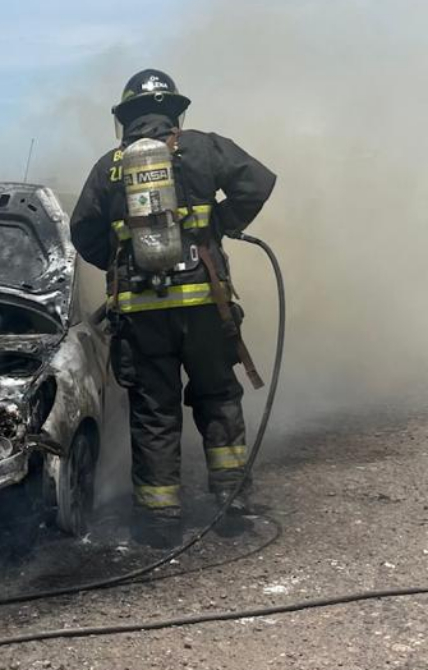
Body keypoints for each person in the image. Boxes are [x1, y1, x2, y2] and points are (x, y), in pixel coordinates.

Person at [70, 70, 276, 547]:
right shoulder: (204, 147)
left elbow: (84, 233)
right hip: (206, 305)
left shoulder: (110, 167)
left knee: (154, 412)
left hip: (142, 316)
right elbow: (257, 184)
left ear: (124, 119)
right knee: (218, 396)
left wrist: (124, 259)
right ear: (176, 112)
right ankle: (231, 502)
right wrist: (216, 226)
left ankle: (160, 520)